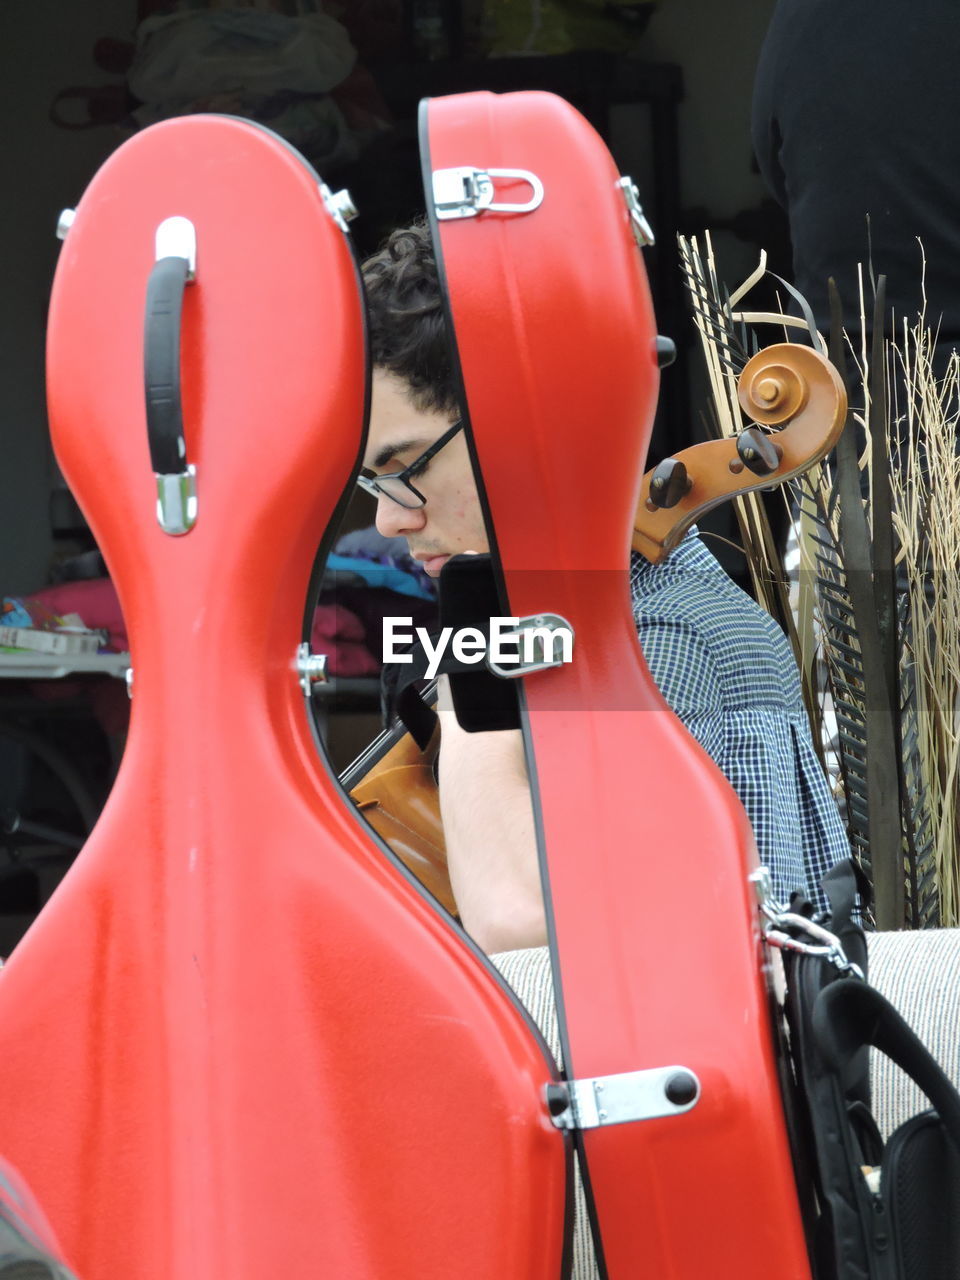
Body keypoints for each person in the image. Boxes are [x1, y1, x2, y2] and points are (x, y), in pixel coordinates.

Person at [359, 221, 849, 954]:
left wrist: (474, 661)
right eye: (370, 479)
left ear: (529, 428)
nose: (388, 518)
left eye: (405, 468)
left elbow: (525, 917)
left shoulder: (654, 639)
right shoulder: (619, 615)